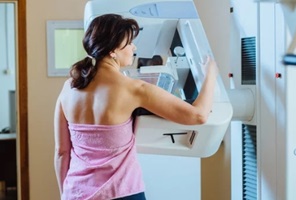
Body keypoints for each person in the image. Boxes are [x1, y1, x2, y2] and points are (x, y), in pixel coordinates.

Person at [54, 14, 219, 200]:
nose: (134, 47)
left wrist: (65, 194)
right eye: (130, 42)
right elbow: (198, 115)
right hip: (121, 194)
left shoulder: (68, 88)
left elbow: (62, 152)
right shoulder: (134, 89)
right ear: (113, 51)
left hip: (76, 193)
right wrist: (211, 73)